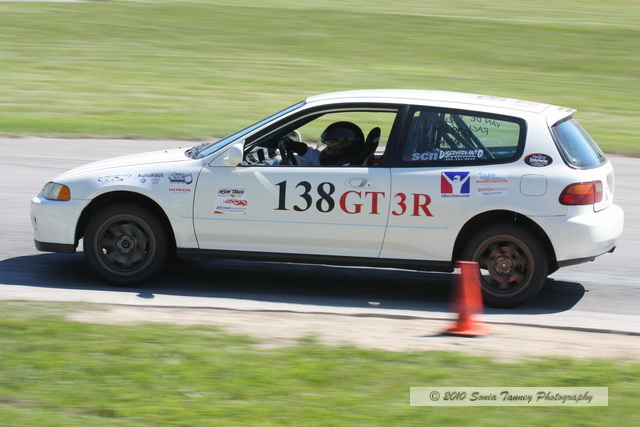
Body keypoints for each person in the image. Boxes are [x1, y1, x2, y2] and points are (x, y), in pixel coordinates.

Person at [284, 121, 364, 166]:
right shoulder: (334, 163)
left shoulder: (341, 170)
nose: (325, 149)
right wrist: (292, 144)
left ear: (342, 151)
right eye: (326, 145)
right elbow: (309, 154)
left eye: (330, 148)